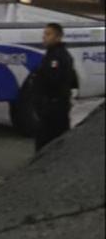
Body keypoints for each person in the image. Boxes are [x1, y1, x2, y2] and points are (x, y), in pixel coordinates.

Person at [31, 23, 78, 151]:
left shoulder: (58, 57)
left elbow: (53, 80)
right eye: (44, 34)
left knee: (49, 142)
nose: (44, 37)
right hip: (53, 105)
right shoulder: (52, 54)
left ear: (58, 37)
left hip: (55, 107)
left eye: (48, 34)